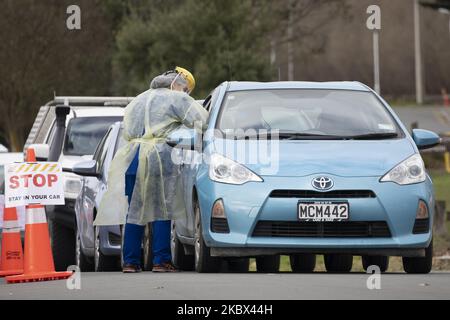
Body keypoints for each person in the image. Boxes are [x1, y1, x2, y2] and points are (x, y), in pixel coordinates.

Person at [94, 67, 209, 273]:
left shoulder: (138, 100)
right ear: (178, 84)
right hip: (158, 158)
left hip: (133, 158)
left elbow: (128, 129)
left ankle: (130, 262)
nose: (185, 93)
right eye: (186, 89)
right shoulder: (176, 99)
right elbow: (202, 120)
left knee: (134, 212)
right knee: (162, 210)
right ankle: (161, 260)